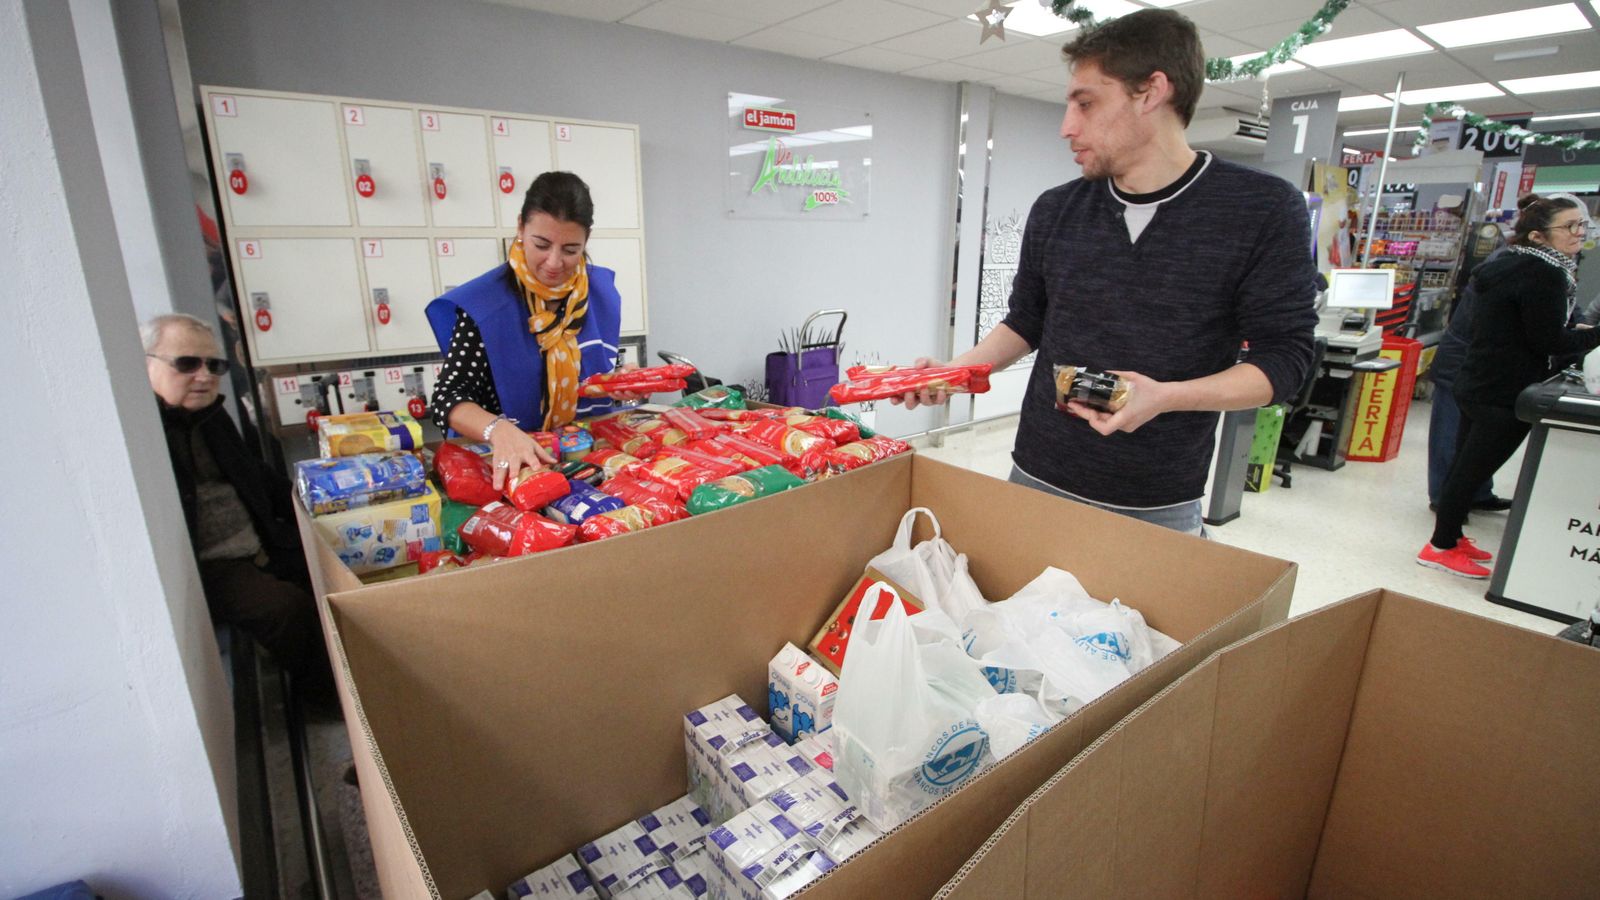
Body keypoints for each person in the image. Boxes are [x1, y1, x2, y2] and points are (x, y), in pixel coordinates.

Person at [898, 9, 1317, 534]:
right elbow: (1027, 321)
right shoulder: (1057, 209)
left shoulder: (1262, 210)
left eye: (1086, 103)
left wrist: (1166, 397)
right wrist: (955, 373)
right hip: (1037, 475)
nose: (1066, 127)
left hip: (1156, 498)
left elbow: (1287, 360)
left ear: (1151, 91)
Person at [145, 313, 332, 695]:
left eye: (214, 365)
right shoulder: (147, 436)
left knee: (336, 567)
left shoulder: (214, 418)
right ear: (146, 364)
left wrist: (320, 501)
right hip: (215, 565)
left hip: (261, 541)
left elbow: (260, 477)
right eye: (187, 363)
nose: (204, 375)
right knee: (286, 608)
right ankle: (327, 697)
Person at [1419, 195, 1600, 578]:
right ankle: (1440, 546)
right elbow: (1548, 341)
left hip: (1478, 379)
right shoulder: (1546, 275)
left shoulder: (1510, 266)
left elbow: (1522, 327)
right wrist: (1592, 337)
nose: (1578, 233)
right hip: (1504, 391)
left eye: (1581, 225)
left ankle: (1450, 534)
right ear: (1538, 235)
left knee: (1463, 467)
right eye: (1568, 226)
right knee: (1470, 470)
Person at [425, 171, 631, 489]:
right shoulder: (487, 306)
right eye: (542, 244)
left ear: (586, 240)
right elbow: (447, 398)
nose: (553, 262)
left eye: (570, 249)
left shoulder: (598, 294)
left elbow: (592, 375)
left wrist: (618, 381)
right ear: (521, 227)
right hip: (509, 469)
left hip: (582, 459)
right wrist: (498, 429)